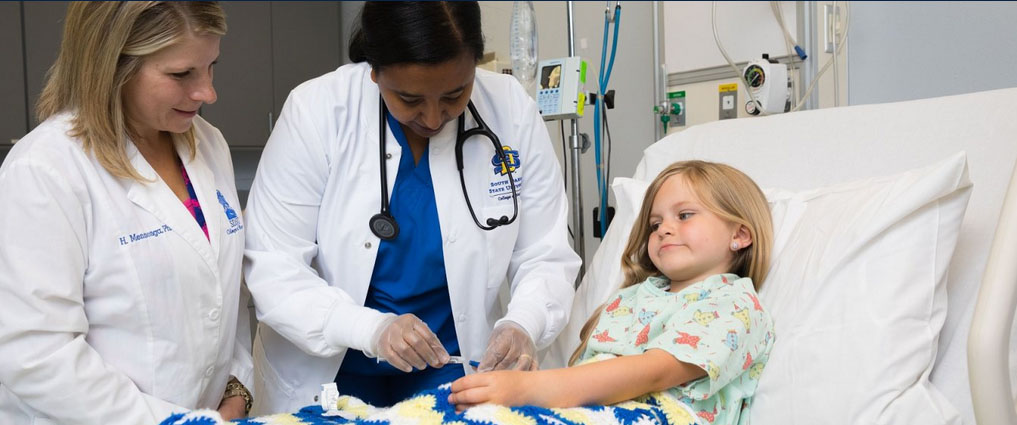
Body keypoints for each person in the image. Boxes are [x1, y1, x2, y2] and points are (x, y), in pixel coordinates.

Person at [242, 0, 580, 413]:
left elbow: (545, 253)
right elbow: (275, 266)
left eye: (456, 93)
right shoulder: (316, 112)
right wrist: (372, 328)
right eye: (409, 98)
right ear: (374, 71)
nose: (435, 118)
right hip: (330, 369)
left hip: (452, 366)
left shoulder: (510, 111)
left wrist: (523, 322)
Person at [0, 2, 254, 423]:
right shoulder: (45, 170)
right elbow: (35, 352)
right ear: (111, 67)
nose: (208, 92)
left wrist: (237, 385)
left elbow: (221, 290)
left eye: (211, 66)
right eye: (181, 74)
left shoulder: (208, 144)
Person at [448, 160, 776, 425]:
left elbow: (655, 372)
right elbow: (588, 372)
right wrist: (531, 384)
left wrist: (534, 390)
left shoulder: (734, 303)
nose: (664, 228)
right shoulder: (630, 298)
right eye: (654, 223)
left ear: (741, 234)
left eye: (685, 215)